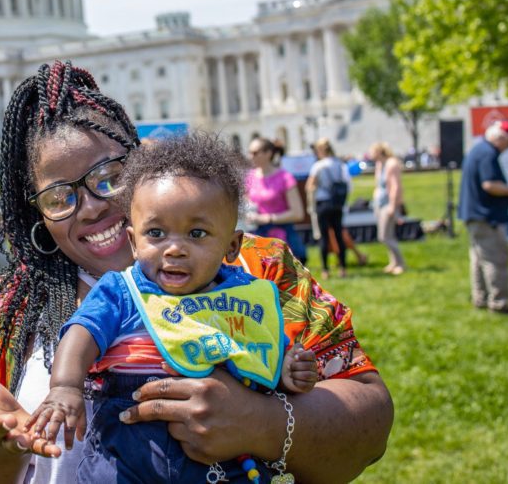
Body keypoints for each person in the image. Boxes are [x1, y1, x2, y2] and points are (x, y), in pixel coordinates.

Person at [0, 61, 393, 483]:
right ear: (40, 220)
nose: (92, 207)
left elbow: (370, 422)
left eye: (110, 177)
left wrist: (260, 422)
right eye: (60, 197)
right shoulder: (2, 313)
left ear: (143, 169)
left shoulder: (254, 267)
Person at [27, 132, 318, 482]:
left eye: (196, 234)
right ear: (133, 241)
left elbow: (264, 343)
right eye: (156, 234)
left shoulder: (249, 293)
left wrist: (289, 368)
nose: (174, 249)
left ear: (231, 245)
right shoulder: (124, 290)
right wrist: (65, 387)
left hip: (222, 461)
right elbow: (82, 332)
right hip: (128, 447)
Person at [458, 121, 508, 313]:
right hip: (486, 216)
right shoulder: (488, 153)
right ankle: (499, 301)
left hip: (474, 214)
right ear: (501, 139)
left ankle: (480, 297)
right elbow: (489, 185)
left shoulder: (478, 149)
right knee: (495, 259)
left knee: (479, 259)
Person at [245, 136, 307, 264]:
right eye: (250, 152)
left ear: (268, 153)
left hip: (281, 237)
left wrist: (268, 218)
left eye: (255, 153)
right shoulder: (249, 177)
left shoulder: (285, 177)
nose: (251, 156)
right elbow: (246, 204)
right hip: (256, 237)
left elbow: (297, 213)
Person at [306, 138, 352, 278]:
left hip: (323, 203)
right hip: (337, 203)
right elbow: (347, 183)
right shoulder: (340, 164)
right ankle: (343, 268)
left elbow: (310, 185)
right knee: (338, 234)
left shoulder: (318, 166)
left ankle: (325, 269)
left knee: (324, 237)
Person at [368, 142, 407, 275]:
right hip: (379, 203)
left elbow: (395, 186)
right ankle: (394, 262)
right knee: (388, 235)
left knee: (385, 236)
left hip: (389, 204)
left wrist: (392, 206)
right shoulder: (380, 164)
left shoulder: (391, 163)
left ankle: (401, 263)